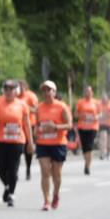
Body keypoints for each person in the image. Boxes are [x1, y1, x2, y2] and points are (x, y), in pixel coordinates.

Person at [0, 79, 34, 207]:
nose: (9, 92)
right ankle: (7, 185)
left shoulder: (22, 105)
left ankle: (11, 194)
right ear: (3, 91)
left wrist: (30, 141)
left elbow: (27, 124)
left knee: (13, 169)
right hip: (2, 140)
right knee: (1, 169)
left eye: (12, 89)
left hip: (17, 141)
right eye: (7, 89)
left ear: (16, 91)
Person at [35, 80, 73, 210]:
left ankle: (56, 194)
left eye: (49, 90)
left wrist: (55, 127)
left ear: (54, 92)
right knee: (45, 172)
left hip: (58, 143)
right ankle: (46, 201)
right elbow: (37, 125)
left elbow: (69, 125)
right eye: (44, 90)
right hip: (43, 143)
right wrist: (36, 132)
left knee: (56, 174)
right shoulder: (39, 107)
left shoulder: (62, 107)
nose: (46, 93)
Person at [74, 85, 100, 175]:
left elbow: (100, 114)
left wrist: (96, 117)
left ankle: (87, 167)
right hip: (82, 127)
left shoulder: (96, 102)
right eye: (86, 91)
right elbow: (76, 115)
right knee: (85, 147)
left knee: (89, 146)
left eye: (89, 91)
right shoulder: (80, 102)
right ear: (84, 93)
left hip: (92, 127)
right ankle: (86, 162)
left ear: (92, 93)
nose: (88, 93)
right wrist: (82, 116)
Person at [18, 80, 39, 180]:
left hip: (30, 125)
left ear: (26, 87)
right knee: (17, 148)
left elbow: (36, 110)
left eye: (22, 86)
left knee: (28, 149)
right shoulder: (14, 96)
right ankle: (15, 170)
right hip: (18, 126)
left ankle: (28, 169)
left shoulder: (31, 96)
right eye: (19, 86)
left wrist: (26, 108)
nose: (21, 88)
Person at [98, 92, 110, 160]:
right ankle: (102, 153)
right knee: (102, 137)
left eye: (104, 98)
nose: (103, 100)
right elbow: (97, 112)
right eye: (102, 98)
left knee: (109, 139)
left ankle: (109, 153)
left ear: (107, 98)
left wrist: (105, 115)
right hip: (102, 124)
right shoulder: (99, 104)